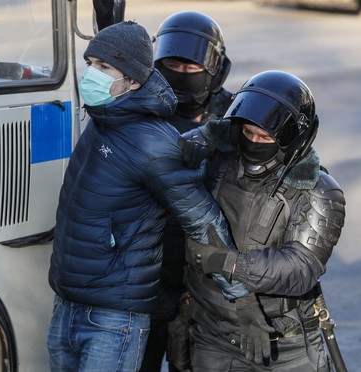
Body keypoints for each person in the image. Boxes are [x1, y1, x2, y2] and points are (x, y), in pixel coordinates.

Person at [46, 20, 243, 372]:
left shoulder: (153, 141)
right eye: (91, 63)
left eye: (104, 67)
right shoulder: (103, 117)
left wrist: (240, 297)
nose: (92, 74)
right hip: (69, 303)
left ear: (133, 80)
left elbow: (203, 220)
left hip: (112, 317)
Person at [182, 70, 346, 371]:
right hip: (213, 334)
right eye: (248, 133)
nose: (254, 142)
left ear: (291, 139)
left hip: (286, 344)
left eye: (265, 137)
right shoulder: (217, 160)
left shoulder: (319, 190)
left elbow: (300, 268)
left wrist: (230, 264)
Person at [140, 11, 233, 372]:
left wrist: (218, 136)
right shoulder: (140, 111)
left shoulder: (235, 117)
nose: (180, 72)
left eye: (191, 66)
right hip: (146, 279)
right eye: (172, 63)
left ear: (215, 71)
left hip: (202, 287)